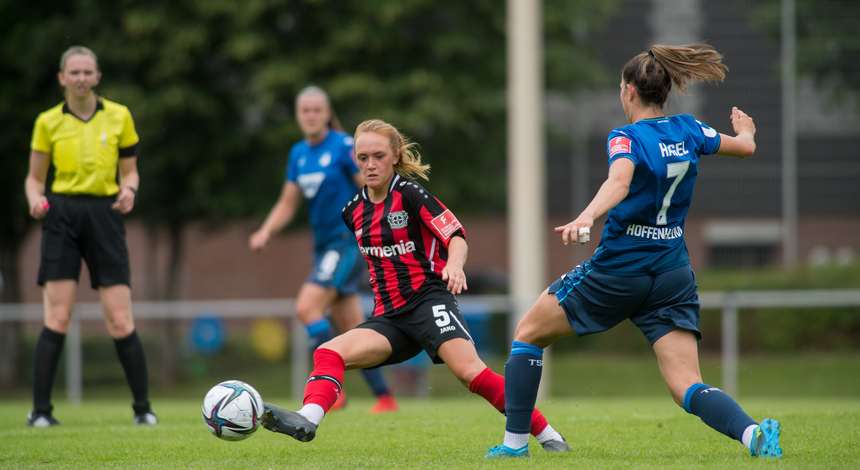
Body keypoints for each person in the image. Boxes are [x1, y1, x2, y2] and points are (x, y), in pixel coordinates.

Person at [487, 44, 782, 459]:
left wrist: (586, 216)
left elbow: (619, 182)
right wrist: (747, 130)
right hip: (672, 272)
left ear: (628, 91)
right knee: (686, 385)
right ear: (664, 91)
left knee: (528, 334)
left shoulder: (625, 137)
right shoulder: (690, 129)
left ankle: (514, 445)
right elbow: (744, 147)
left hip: (620, 268)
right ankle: (752, 434)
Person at [261, 119, 569, 452]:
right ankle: (308, 417)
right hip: (390, 319)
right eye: (362, 157)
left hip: (429, 303)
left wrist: (454, 265)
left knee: (469, 372)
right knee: (328, 352)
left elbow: (456, 236)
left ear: (394, 155)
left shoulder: (410, 195)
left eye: (378, 155)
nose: (370, 164)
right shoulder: (352, 212)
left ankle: (548, 435)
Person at [24, 46, 156, 427]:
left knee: (119, 318)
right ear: (62, 78)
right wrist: (35, 200)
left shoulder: (119, 117)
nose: (81, 78)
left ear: (97, 77)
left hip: (105, 215)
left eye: (88, 72)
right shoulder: (47, 122)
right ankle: (41, 413)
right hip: (61, 214)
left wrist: (129, 190)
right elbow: (34, 179)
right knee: (58, 316)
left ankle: (143, 410)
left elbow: (130, 172)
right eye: (74, 72)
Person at [249, 86, 397, 413]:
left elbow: (371, 185)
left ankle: (333, 388)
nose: (311, 115)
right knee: (355, 329)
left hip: (345, 243)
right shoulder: (298, 154)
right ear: (299, 116)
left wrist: (383, 225)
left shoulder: (344, 147)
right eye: (305, 110)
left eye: (317, 110)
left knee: (306, 308)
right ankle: (385, 399)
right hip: (323, 248)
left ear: (327, 114)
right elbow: (288, 203)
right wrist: (265, 231)